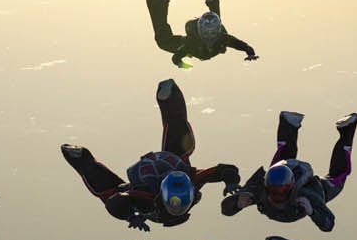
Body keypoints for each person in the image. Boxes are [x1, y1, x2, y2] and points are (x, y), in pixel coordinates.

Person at [60, 78, 243, 229]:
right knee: (180, 142)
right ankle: (170, 97)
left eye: (175, 202)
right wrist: (231, 181)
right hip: (163, 168)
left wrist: (130, 216)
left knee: (110, 190)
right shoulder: (192, 180)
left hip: (147, 182)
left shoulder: (146, 197)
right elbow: (222, 170)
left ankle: (80, 159)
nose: (176, 205)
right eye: (178, 202)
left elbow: (114, 202)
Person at [219, 111, 354, 229]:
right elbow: (226, 209)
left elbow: (328, 223)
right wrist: (238, 202)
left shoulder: (307, 195)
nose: (278, 196)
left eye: (281, 191)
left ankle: (346, 130)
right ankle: (289, 124)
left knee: (338, 176)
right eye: (275, 191)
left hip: (318, 189)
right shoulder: (258, 190)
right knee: (281, 161)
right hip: (288, 172)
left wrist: (312, 211)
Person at [146, 0, 258, 66]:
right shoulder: (191, 44)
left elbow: (242, 45)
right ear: (200, 32)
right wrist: (183, 65)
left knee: (222, 38)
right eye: (206, 33)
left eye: (213, 33)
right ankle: (157, 4)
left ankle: (213, 4)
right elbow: (176, 57)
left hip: (207, 47)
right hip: (195, 46)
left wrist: (250, 53)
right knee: (164, 42)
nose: (209, 37)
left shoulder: (223, 39)